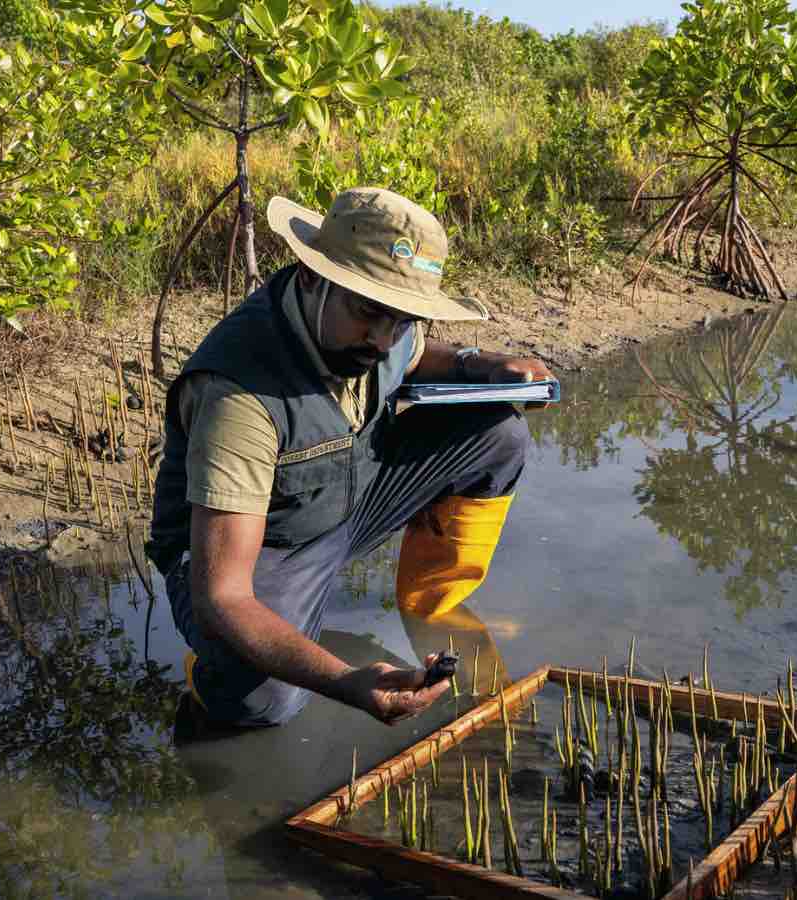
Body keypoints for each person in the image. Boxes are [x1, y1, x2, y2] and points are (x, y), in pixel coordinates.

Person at [145, 187, 553, 729]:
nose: (384, 340)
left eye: (403, 318)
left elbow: (411, 355)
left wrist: (483, 363)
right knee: (263, 699)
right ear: (313, 277)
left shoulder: (378, 332)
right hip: (267, 547)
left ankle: (432, 606)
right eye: (369, 313)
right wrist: (346, 680)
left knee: (499, 435)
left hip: (350, 495)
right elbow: (224, 596)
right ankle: (211, 676)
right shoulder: (238, 395)